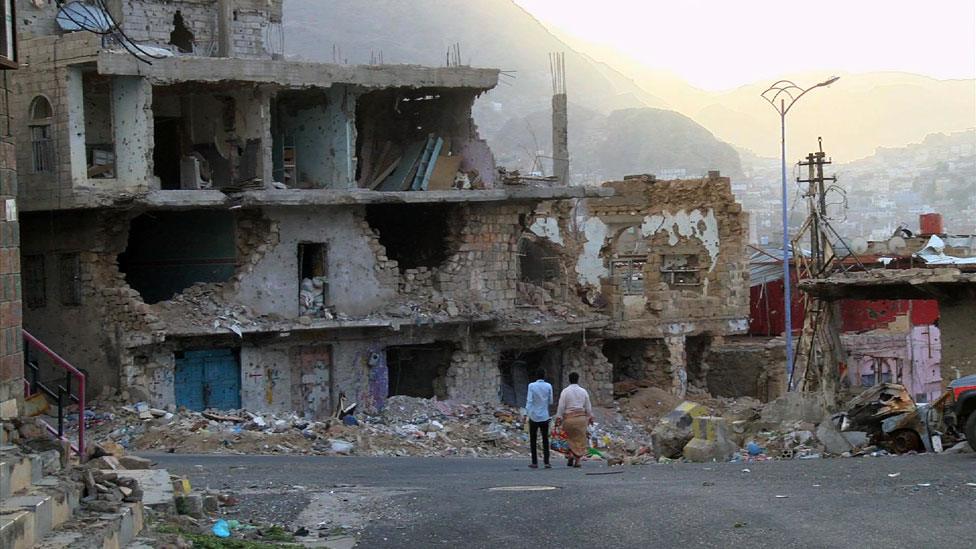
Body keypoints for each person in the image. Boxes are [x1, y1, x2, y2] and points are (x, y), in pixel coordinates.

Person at [555, 372, 592, 468]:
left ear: (569, 379)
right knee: (580, 438)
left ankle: (571, 454)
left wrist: (558, 417)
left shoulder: (565, 391)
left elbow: (561, 406)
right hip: (581, 419)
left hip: (569, 419)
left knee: (570, 437)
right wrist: (590, 416)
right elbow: (588, 406)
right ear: (578, 379)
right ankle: (578, 460)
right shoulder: (583, 391)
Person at [524, 370, 553, 469]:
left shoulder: (531, 386)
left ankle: (534, 462)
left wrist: (526, 413)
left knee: (533, 439)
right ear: (544, 376)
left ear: (536, 376)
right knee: (545, 439)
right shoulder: (548, 386)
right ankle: (547, 462)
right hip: (545, 415)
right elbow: (551, 401)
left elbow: (529, 401)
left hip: (534, 416)